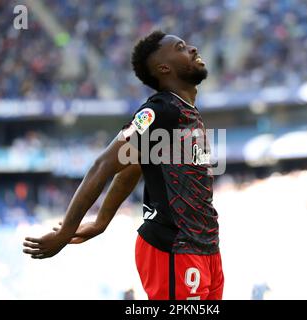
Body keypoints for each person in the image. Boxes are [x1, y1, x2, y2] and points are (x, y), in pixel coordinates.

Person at [23, 31, 224, 300]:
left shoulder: (185, 111)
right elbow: (103, 164)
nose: (192, 48)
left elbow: (133, 166)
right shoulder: (159, 110)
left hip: (206, 249)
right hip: (174, 247)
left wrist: (102, 222)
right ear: (164, 68)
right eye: (181, 47)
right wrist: (68, 231)